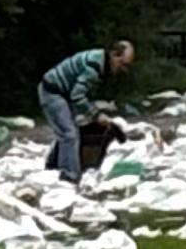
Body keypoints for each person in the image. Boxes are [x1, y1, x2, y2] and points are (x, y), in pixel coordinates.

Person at [37, 38, 134, 180]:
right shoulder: (94, 67)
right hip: (53, 92)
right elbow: (77, 96)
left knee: (70, 130)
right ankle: (69, 176)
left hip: (63, 93)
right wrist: (95, 115)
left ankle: (53, 166)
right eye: (122, 64)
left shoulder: (100, 61)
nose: (123, 69)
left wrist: (91, 113)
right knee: (69, 134)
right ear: (114, 54)